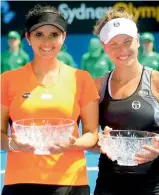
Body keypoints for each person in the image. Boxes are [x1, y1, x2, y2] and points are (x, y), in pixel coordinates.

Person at [1, 4, 99, 195]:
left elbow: (92, 134)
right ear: (28, 38)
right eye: (39, 34)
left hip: (70, 182)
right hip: (19, 181)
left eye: (54, 34)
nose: (47, 41)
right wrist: (13, 143)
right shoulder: (7, 80)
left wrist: (74, 144)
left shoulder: (81, 79)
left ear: (64, 37)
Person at [92, 8, 159, 195]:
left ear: (137, 41)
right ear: (104, 47)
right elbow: (88, 139)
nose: (122, 50)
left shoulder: (156, 81)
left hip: (153, 187)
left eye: (127, 41)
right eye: (114, 44)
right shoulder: (97, 86)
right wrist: (99, 141)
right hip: (108, 187)